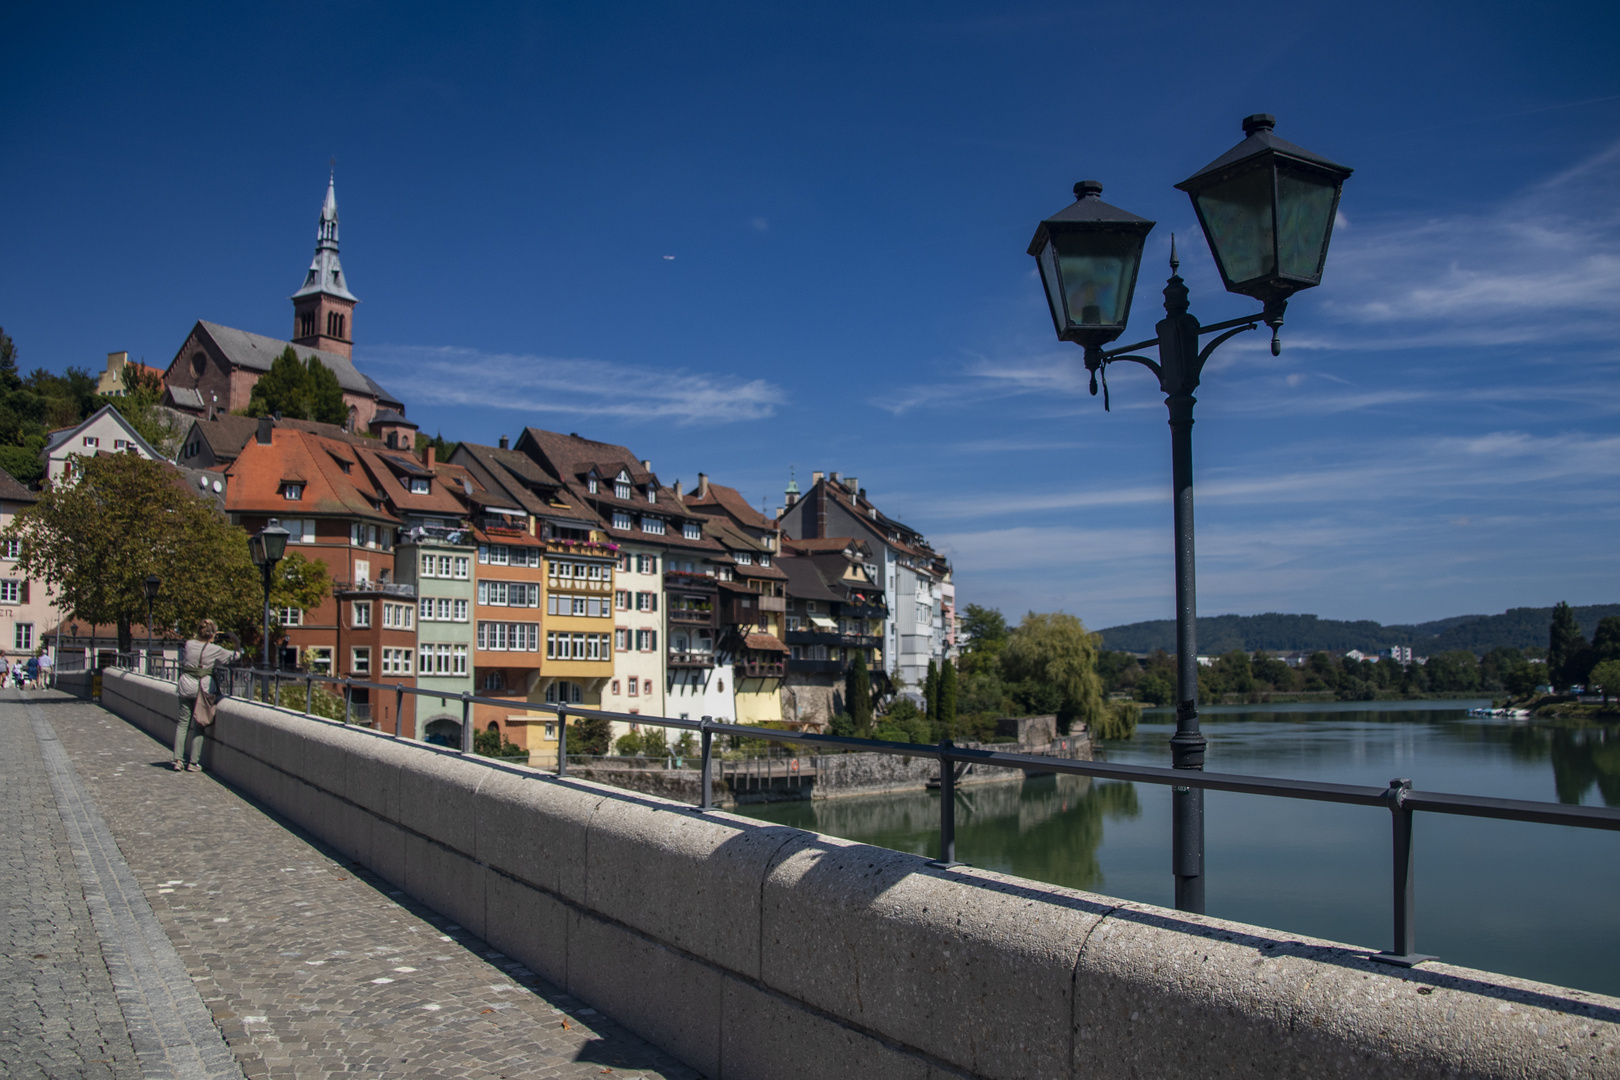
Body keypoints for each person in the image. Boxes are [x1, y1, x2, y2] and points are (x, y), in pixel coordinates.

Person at [174, 619, 239, 773]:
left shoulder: (189, 644)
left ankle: (178, 760)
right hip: (202, 688)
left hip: (185, 685)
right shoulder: (215, 649)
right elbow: (234, 656)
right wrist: (236, 640)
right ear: (213, 634)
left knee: (183, 723)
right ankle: (193, 762)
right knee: (199, 725)